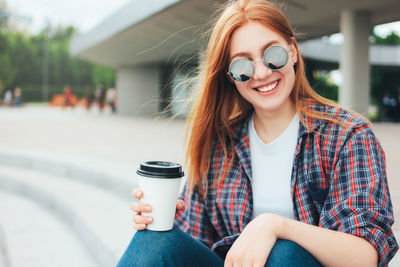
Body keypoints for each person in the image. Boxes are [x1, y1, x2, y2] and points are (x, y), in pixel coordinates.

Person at [117, 0, 398, 266]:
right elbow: (194, 245)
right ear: (230, 77)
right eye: (243, 65)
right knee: (153, 242)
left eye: (272, 54)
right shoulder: (218, 145)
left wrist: (275, 226)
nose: (261, 73)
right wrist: (164, 224)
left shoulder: (347, 135)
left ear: (292, 51)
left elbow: (366, 256)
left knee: (284, 252)